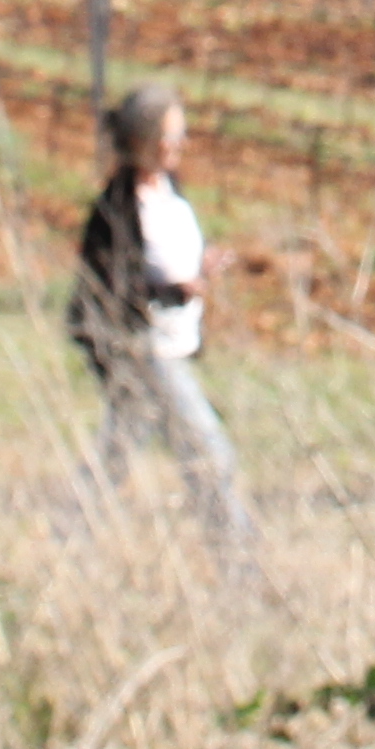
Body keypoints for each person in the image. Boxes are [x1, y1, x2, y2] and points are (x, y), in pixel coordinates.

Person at [70, 83, 255, 556]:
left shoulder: (172, 191)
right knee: (210, 454)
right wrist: (173, 291)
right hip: (147, 349)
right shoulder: (116, 208)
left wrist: (202, 268)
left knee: (114, 460)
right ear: (144, 140)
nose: (181, 144)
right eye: (172, 136)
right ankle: (241, 567)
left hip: (175, 341)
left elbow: (171, 257)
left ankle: (69, 547)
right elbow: (109, 285)